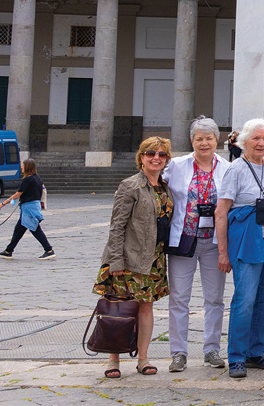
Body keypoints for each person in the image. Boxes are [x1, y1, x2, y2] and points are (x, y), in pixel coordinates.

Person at [94, 137, 174, 379]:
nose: (156, 158)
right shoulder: (130, 186)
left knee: (145, 308)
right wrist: (116, 261)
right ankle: (113, 359)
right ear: (141, 157)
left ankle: (143, 358)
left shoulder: (166, 186)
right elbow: (116, 226)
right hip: (128, 257)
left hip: (154, 258)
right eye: (150, 153)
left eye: (161, 155)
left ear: (167, 160)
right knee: (119, 309)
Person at [215, 119, 264, 378]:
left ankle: (256, 352)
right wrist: (223, 252)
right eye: (256, 138)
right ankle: (236, 357)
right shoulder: (235, 169)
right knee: (245, 299)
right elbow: (221, 213)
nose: (261, 143)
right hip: (246, 237)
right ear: (244, 141)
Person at [163, 117, 232, 372]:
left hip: (214, 243)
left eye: (209, 138)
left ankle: (211, 349)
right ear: (192, 141)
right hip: (184, 241)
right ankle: (178, 352)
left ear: (217, 140)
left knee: (214, 299)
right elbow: (154, 182)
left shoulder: (227, 168)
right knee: (179, 299)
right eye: (199, 138)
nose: (204, 143)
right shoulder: (177, 166)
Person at [0, 159, 55, 260]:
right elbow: (42, 189)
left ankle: (49, 250)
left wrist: (3, 203)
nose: (21, 167)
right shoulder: (37, 178)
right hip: (33, 207)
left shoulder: (28, 179)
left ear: (27, 167)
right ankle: (8, 251)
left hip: (29, 208)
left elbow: (18, 194)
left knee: (35, 229)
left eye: (22, 165)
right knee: (18, 230)